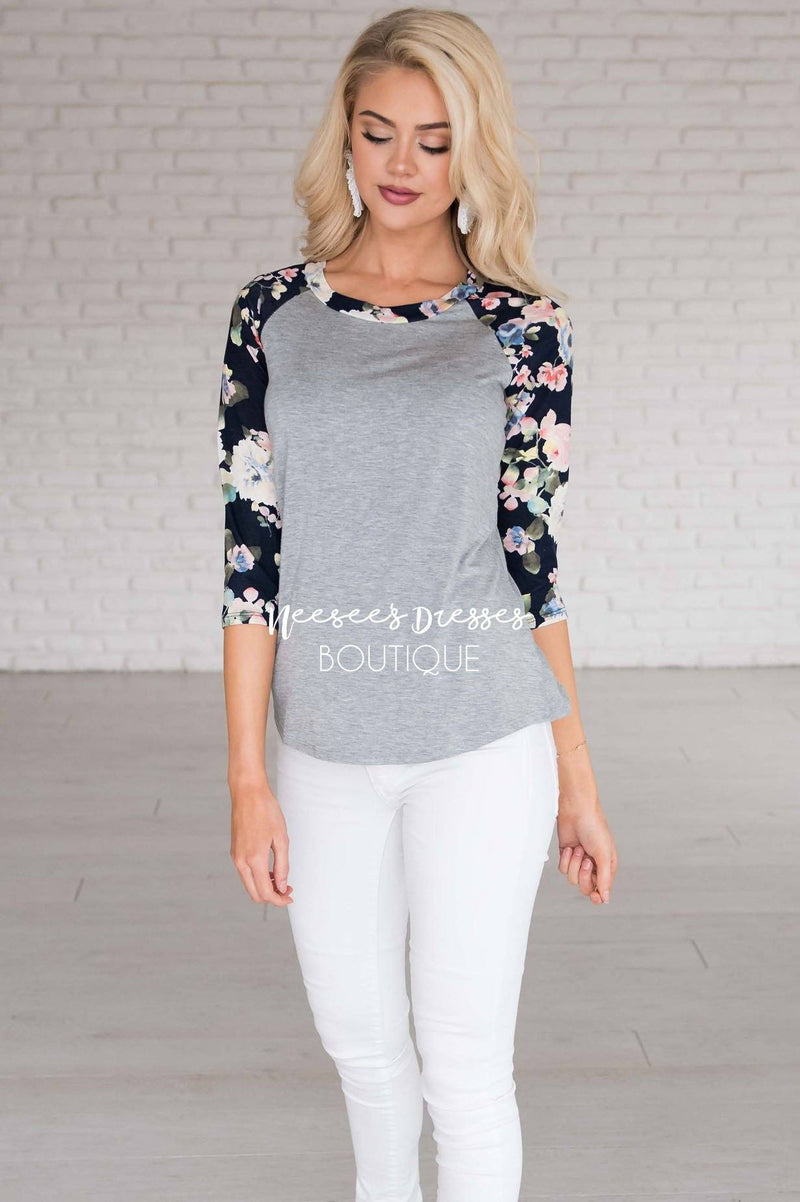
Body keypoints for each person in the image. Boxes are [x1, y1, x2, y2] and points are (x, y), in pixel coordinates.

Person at [217, 8, 618, 1200]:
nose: (402, 165)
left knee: (464, 1065)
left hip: (482, 738)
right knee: (361, 1049)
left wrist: (576, 780)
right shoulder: (269, 313)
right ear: (343, 135)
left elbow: (531, 556)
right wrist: (246, 780)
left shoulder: (521, 326)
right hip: (323, 742)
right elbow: (249, 558)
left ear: (471, 150)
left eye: (435, 141)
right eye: (379, 131)